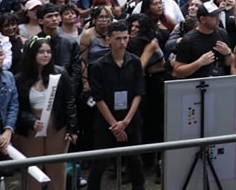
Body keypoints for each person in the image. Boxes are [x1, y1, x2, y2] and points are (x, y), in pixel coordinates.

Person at [13, 36, 79, 190]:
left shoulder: (60, 73)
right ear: (31, 55)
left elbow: (69, 101)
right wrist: (29, 120)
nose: (46, 55)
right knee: (33, 169)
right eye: (41, 52)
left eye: (49, 52)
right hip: (31, 128)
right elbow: (15, 106)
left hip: (56, 125)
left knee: (56, 168)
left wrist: (72, 127)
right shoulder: (19, 78)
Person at [87, 21, 146, 190]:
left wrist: (125, 122)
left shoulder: (134, 62)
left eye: (125, 38)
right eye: (118, 38)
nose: (122, 42)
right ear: (108, 40)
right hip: (106, 121)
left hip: (131, 119)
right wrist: (115, 125)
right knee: (100, 163)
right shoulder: (98, 66)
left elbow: (139, 93)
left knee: (135, 162)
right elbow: (98, 98)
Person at [172, 2, 234, 78]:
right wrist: (199, 62)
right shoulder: (188, 40)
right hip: (197, 85)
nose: (218, 18)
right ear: (202, 19)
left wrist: (227, 53)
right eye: (214, 16)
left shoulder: (222, 33)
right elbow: (178, 71)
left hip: (219, 83)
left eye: (219, 15)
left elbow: (229, 63)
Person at [0, 42, 18, 190]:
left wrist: (8, 130)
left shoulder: (9, 76)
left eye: (0, 54)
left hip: (3, 132)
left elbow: (13, 105)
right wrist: (0, 140)